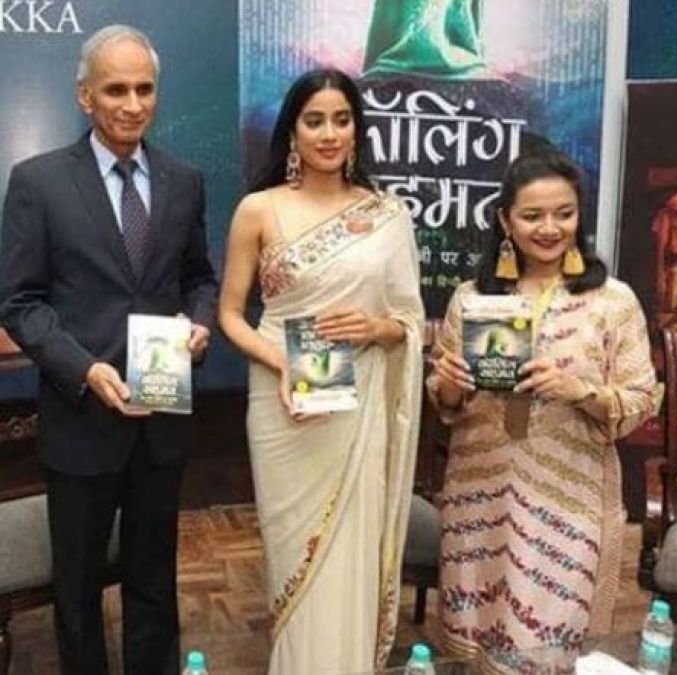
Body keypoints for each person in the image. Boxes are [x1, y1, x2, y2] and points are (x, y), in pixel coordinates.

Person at [0, 25, 217, 674]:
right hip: (81, 423)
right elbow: (19, 301)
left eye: (144, 89)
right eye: (115, 89)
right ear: (84, 96)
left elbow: (199, 278)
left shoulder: (184, 180)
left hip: (161, 423)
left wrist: (200, 322)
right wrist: (85, 369)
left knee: (154, 580)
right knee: (78, 590)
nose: (132, 103)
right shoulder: (37, 181)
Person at [218, 68, 424, 674]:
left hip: (357, 404)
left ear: (357, 129)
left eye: (341, 119)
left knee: (351, 548)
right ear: (293, 131)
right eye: (315, 121)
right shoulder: (259, 210)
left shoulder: (386, 214)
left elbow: (410, 321)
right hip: (282, 400)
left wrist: (377, 328)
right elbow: (230, 315)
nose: (329, 134)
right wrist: (282, 361)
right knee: (295, 556)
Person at [427, 150, 658, 670]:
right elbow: (445, 402)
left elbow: (640, 399)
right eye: (532, 216)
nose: (550, 228)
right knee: (477, 637)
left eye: (564, 213)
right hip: (479, 492)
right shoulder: (472, 298)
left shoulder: (613, 302)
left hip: (566, 500)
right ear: (505, 221)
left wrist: (579, 389)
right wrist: (449, 385)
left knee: (546, 645)